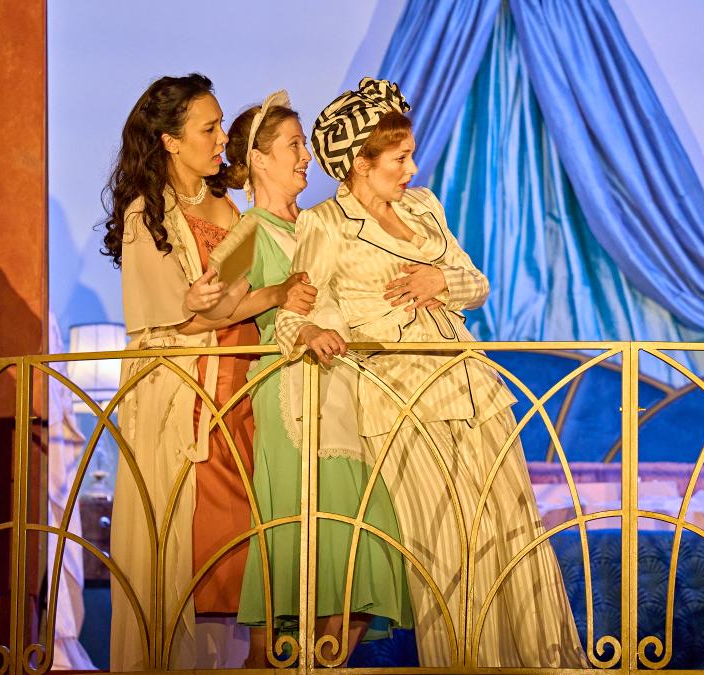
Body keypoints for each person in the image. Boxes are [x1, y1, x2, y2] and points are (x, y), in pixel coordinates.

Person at [271, 77, 585, 668]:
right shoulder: (324, 225)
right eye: (399, 158)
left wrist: (442, 280)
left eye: (411, 155)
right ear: (360, 164)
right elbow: (295, 310)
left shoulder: (425, 207)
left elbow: (478, 285)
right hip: (400, 404)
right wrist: (311, 333)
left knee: (513, 538)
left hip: (471, 389)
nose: (411, 168)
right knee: (447, 551)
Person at [101, 73, 305, 669]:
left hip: (239, 381)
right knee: (197, 546)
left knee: (241, 549)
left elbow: (227, 297)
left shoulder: (223, 202)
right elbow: (171, 323)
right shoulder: (147, 215)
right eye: (208, 128)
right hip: (191, 396)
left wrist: (262, 298)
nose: (221, 139)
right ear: (169, 140)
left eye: (219, 126)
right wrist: (252, 299)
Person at [218, 91, 412, 666]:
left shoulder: (319, 223)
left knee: (359, 553)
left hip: (343, 395)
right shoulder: (251, 230)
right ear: (258, 159)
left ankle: (323, 666)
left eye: (304, 144)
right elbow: (205, 305)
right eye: (293, 145)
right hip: (294, 398)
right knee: (303, 555)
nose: (306, 156)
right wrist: (277, 302)